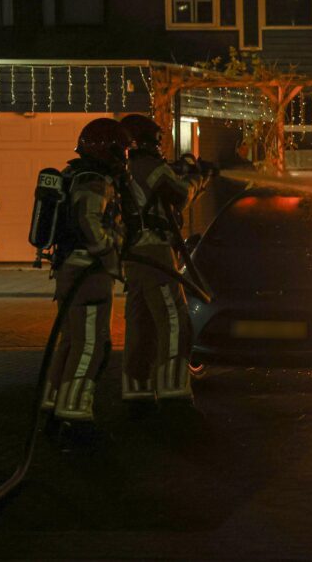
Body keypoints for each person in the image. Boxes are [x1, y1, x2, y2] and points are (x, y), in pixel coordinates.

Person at [42, 118, 131, 439]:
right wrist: (110, 258)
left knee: (70, 342)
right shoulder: (95, 180)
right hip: (89, 274)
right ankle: (75, 417)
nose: (123, 158)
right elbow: (89, 219)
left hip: (69, 268)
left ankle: (54, 405)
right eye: (121, 151)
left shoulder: (72, 174)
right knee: (92, 345)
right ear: (108, 150)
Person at [118, 114, 208, 412]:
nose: (160, 146)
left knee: (141, 325)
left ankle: (137, 391)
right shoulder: (149, 165)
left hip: (134, 255)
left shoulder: (124, 167)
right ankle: (173, 391)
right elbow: (180, 195)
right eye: (157, 140)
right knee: (174, 321)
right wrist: (197, 176)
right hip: (156, 253)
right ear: (146, 140)